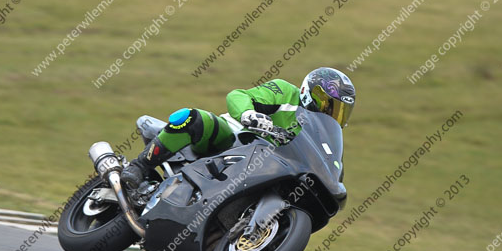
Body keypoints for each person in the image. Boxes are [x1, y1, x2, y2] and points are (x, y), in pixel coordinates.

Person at [120, 67, 356, 191]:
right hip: (234, 141)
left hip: (268, 170)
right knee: (192, 118)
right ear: (309, 91)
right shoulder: (286, 93)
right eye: (328, 104)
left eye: (339, 111)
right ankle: (139, 166)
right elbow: (239, 95)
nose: (331, 113)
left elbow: (331, 168)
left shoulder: (325, 136)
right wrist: (249, 114)